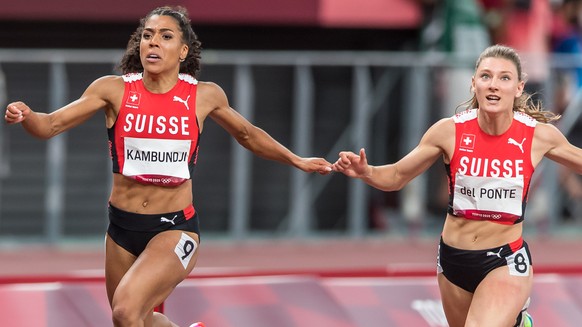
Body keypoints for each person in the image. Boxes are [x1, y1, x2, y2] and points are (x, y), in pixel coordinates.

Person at [4, 6, 332, 327]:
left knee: (125, 311)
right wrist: (28, 116)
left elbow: (248, 135)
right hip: (120, 230)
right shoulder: (113, 91)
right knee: (138, 319)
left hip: (174, 228)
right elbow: (50, 126)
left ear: (183, 51)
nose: (153, 42)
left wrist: (295, 159)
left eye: (165, 36)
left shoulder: (203, 96)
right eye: (147, 36)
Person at [331, 44, 581, 326]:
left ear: (519, 87)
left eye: (504, 78)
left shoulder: (538, 136)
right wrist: (367, 171)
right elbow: (397, 176)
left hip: (504, 259)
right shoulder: (448, 131)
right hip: (453, 260)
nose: (493, 85)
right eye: (486, 76)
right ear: (474, 83)